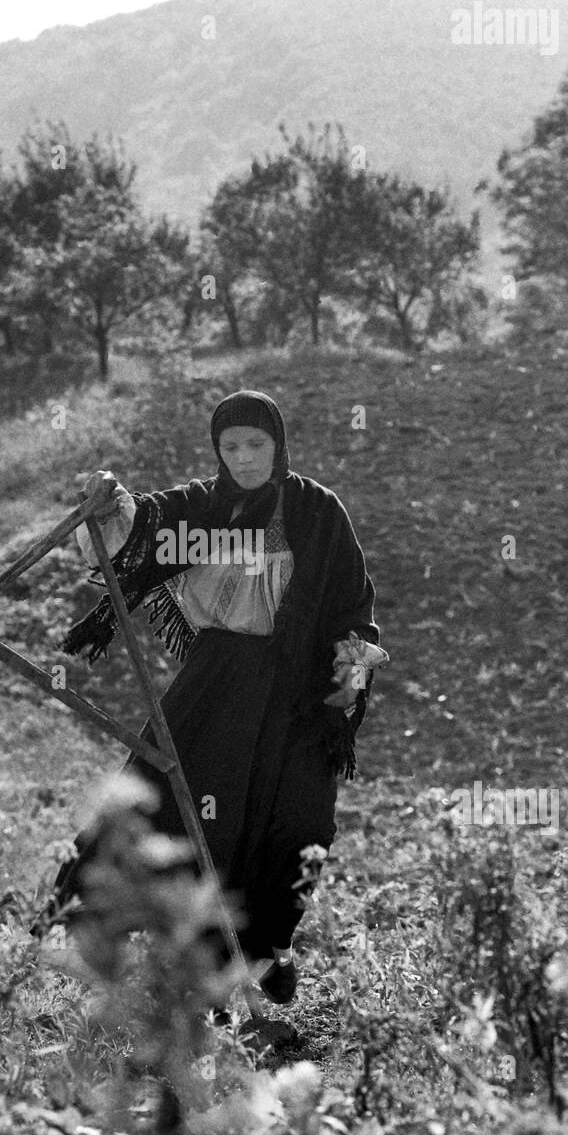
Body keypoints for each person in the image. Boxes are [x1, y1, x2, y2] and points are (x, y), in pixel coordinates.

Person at [38, 390, 385, 1004]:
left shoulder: (317, 511)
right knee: (168, 803)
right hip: (217, 682)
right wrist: (110, 499)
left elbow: (353, 605)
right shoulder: (205, 509)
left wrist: (347, 670)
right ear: (217, 451)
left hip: (299, 694)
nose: (245, 458)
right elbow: (139, 525)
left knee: (298, 822)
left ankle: (261, 955)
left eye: (257, 444)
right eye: (232, 447)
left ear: (278, 445)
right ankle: (97, 929)